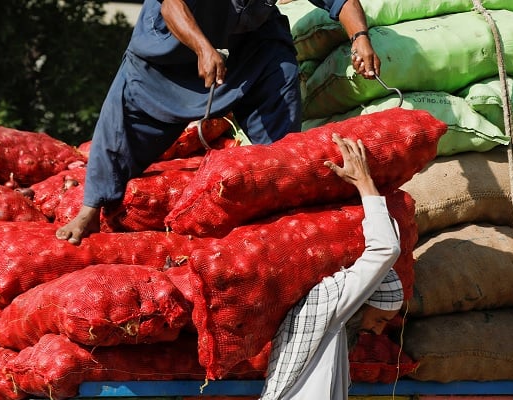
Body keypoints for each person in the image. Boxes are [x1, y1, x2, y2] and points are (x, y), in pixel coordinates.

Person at [56, 0, 382, 244]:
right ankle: (91, 209)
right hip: (171, 46)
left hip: (248, 46)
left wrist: (360, 37)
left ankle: (276, 199)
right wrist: (202, 47)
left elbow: (341, 1)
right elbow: (171, 5)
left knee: (280, 71)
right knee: (125, 119)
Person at [260, 133, 404, 400]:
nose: (378, 330)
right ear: (362, 297)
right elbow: (387, 249)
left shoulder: (330, 324)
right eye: (380, 318)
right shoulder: (327, 302)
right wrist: (365, 184)